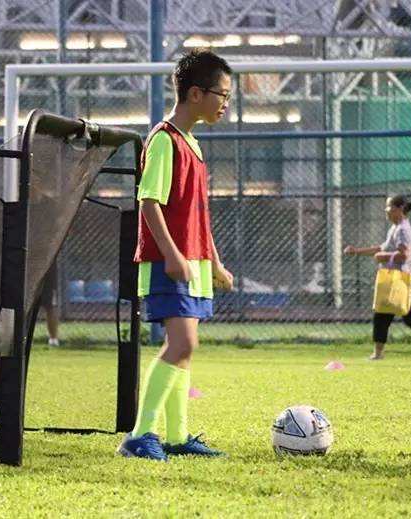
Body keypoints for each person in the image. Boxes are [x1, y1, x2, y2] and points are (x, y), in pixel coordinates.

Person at [116, 49, 234, 461]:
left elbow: (198, 216)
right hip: (173, 262)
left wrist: (214, 262)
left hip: (196, 263)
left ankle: (178, 436)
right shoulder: (164, 140)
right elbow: (149, 202)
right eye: (223, 94)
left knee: (186, 347)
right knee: (181, 343)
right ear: (197, 93)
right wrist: (171, 255)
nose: (226, 104)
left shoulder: (194, 146)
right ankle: (138, 435)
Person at [344, 195, 411, 361]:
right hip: (395, 279)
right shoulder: (396, 228)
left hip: (398, 279)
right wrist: (357, 251)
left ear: (399, 209)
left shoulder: (402, 230)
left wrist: (384, 257)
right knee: (403, 315)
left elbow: (403, 255)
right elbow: (382, 248)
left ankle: (379, 354)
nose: (386, 211)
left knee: (385, 314)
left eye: (389, 207)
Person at [39, 261, 60, 346]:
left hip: (48, 269)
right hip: (29, 266)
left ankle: (53, 339)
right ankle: (20, 338)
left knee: (50, 305)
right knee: (24, 306)